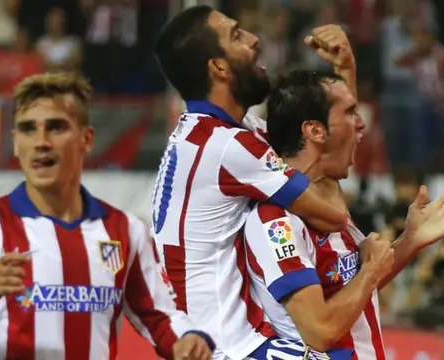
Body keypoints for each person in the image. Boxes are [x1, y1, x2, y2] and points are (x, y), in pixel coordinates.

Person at [0, 73, 214, 360]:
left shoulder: (125, 230)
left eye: (56, 127)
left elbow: (159, 317)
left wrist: (189, 340)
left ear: (86, 139)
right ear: (14, 143)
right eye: (27, 129)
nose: (40, 142)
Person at [152, 5, 359, 360]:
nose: (254, 39)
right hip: (223, 347)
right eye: (236, 35)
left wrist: (344, 73)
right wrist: (377, 263)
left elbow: (323, 151)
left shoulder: (218, 133)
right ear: (218, 67)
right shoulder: (229, 147)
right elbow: (333, 215)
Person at [244, 65, 444, 357]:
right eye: (350, 113)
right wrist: (371, 270)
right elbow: (320, 330)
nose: (361, 124)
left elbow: (352, 291)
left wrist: (410, 240)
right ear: (315, 130)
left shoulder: (324, 198)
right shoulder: (276, 221)